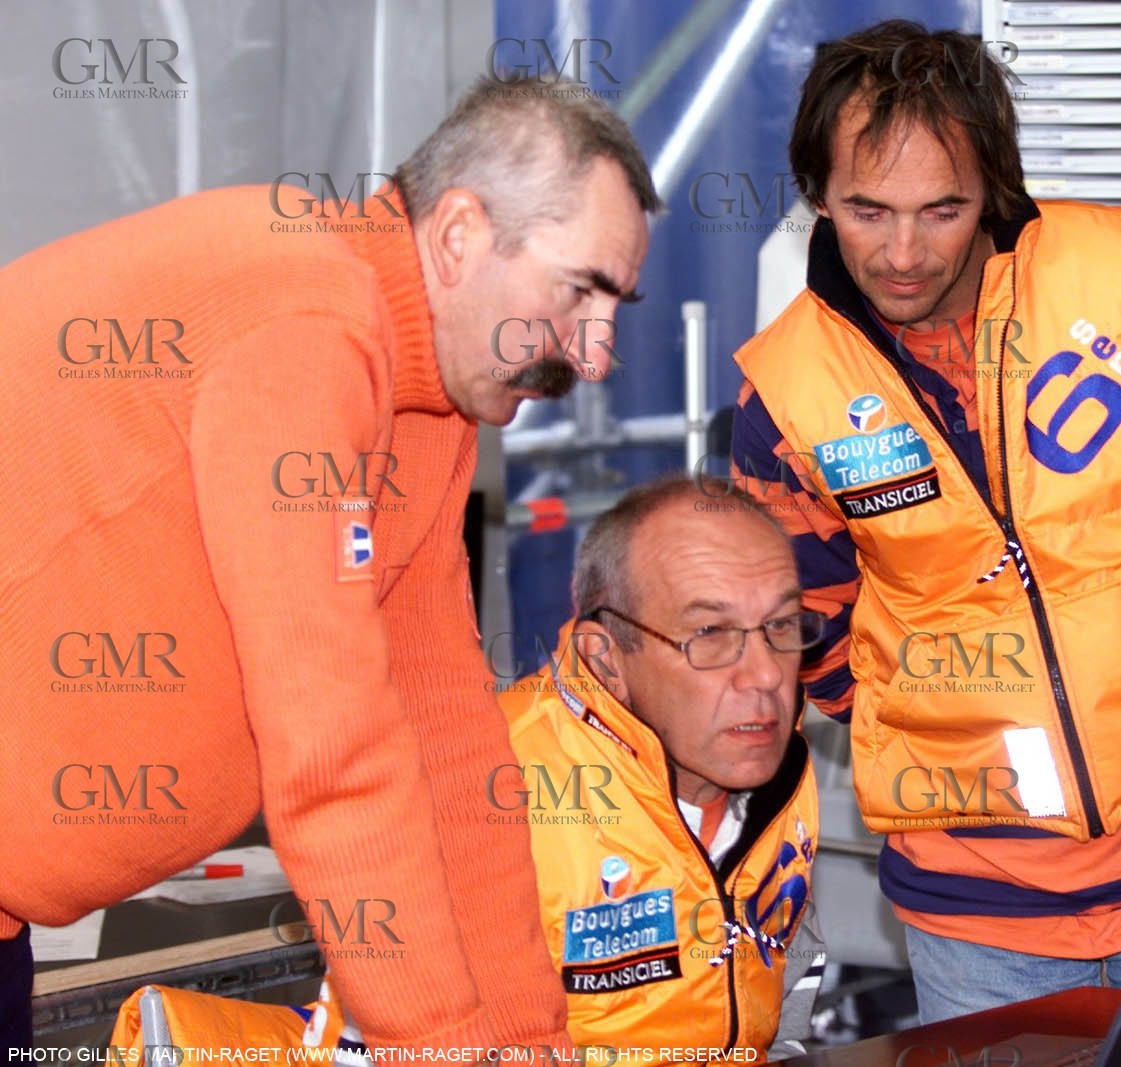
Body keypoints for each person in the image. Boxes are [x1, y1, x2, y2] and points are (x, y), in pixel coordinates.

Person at [0, 76, 658, 1054]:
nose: (595, 354)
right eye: (579, 293)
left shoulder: (425, 404)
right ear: (459, 235)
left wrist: (520, 1030)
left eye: (617, 306)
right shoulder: (303, 316)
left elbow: (444, 737)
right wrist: (442, 1039)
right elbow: (333, 734)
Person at [731, 20, 1121, 1023]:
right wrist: (928, 716)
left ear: (993, 189)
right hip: (980, 910)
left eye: (941, 209)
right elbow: (804, 630)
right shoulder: (786, 392)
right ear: (815, 195)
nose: (901, 251)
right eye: (865, 210)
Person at [497, 476, 827, 1060]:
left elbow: (778, 995)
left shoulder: (777, 760)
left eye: (780, 626)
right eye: (710, 634)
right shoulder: (492, 790)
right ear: (607, 661)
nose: (768, 676)